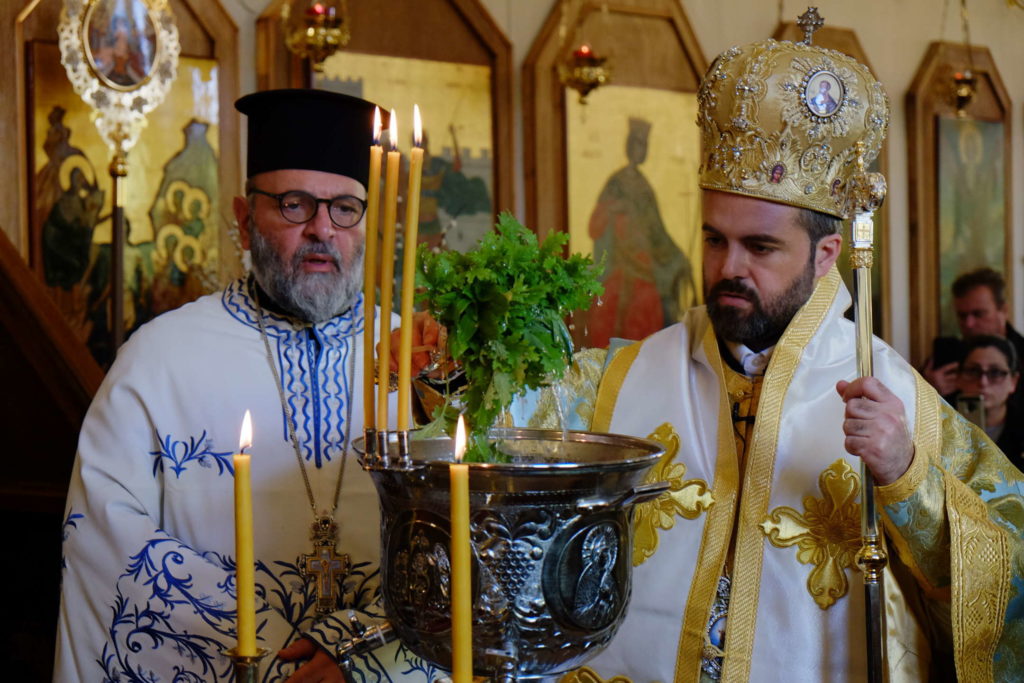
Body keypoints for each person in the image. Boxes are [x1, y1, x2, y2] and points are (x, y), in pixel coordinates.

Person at [512, 31, 1023, 681]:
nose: (728, 267)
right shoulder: (613, 382)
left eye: (760, 246)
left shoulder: (895, 393)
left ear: (826, 254)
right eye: (713, 239)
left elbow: (1011, 563)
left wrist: (908, 477)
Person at [54, 90, 437, 682]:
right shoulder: (157, 362)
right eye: (293, 204)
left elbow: (470, 552)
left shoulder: (423, 362)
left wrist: (361, 653)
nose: (321, 230)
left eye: (344, 208)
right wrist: (273, 654)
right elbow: (105, 539)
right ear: (242, 217)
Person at [924, 267, 1024, 398]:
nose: (969, 324)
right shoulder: (947, 356)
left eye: (978, 314)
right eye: (962, 316)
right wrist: (927, 392)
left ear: (1003, 310)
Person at [948, 335, 1024, 472]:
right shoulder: (940, 427)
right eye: (973, 371)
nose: (983, 382)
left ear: (1013, 381)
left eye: (995, 372)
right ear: (958, 378)